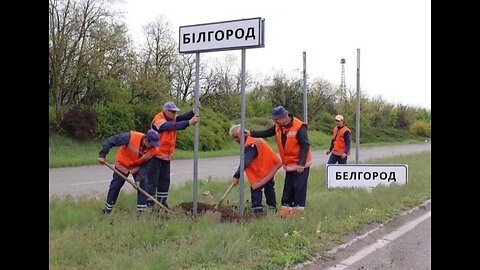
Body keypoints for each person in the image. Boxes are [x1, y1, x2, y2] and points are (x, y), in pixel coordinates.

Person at [246, 106, 312, 217]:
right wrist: (251, 133)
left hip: (301, 165)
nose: (275, 122)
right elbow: (267, 132)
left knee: (299, 188)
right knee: (288, 188)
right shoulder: (278, 126)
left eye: (276, 120)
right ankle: (286, 213)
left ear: (284, 117)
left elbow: (305, 145)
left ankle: (298, 214)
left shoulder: (299, 126)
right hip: (289, 165)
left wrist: (301, 163)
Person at [147, 101, 200, 209]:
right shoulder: (159, 120)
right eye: (173, 112)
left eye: (175, 112)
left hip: (166, 157)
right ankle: (149, 204)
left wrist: (194, 111)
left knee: (165, 181)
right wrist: (189, 123)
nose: (175, 114)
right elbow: (172, 126)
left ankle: (162, 203)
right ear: (166, 111)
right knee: (152, 181)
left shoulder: (171, 118)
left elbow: (181, 118)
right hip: (155, 156)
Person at [98, 129, 160, 215]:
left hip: (137, 166)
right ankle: (107, 209)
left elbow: (145, 167)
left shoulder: (153, 150)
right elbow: (111, 140)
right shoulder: (131, 137)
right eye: (152, 144)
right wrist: (102, 155)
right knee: (115, 185)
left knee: (142, 187)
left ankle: (140, 213)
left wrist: (138, 180)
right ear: (146, 140)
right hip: (123, 163)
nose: (153, 146)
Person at [229, 124, 282, 215]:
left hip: (265, 167)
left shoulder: (251, 144)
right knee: (269, 187)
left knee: (257, 187)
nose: (235, 140)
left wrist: (236, 176)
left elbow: (245, 162)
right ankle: (272, 208)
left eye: (236, 137)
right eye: (233, 138)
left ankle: (257, 211)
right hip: (267, 167)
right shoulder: (251, 140)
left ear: (243, 133)